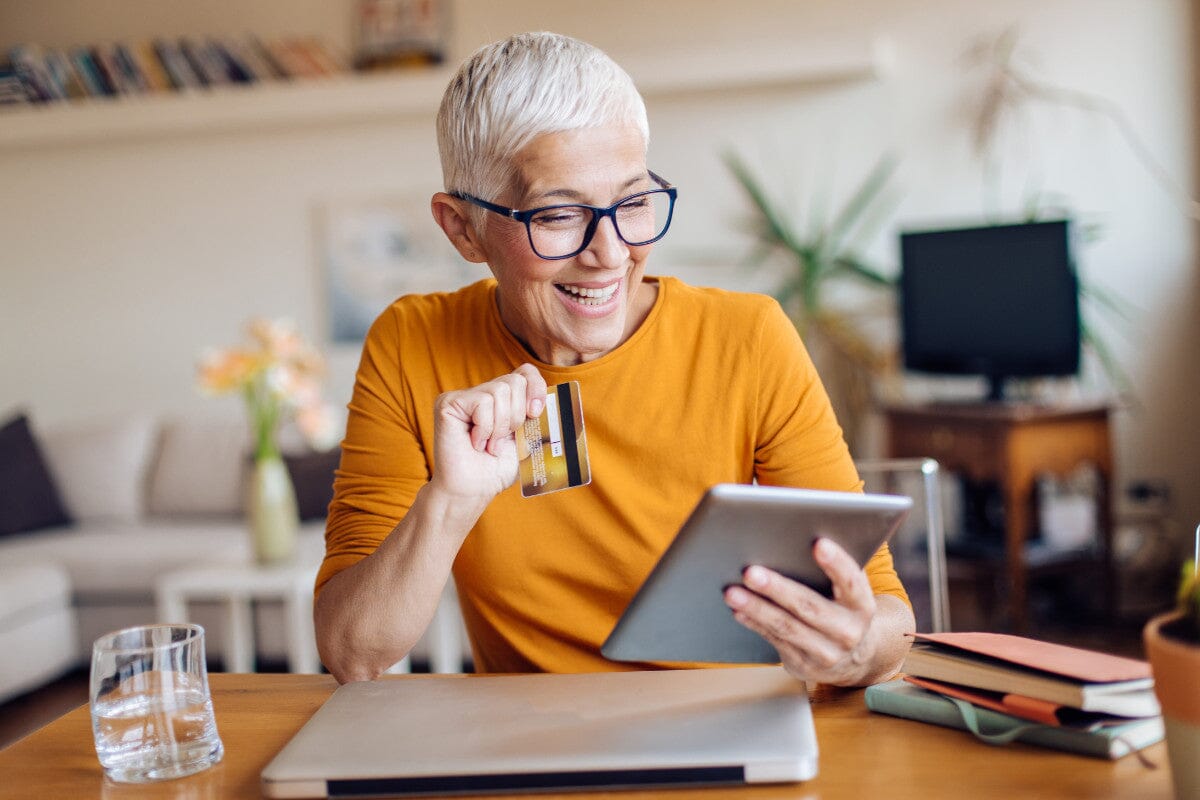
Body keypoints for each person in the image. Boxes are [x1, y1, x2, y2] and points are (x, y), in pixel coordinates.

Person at [314, 31, 914, 686]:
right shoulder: (413, 344)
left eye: (632, 202)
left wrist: (857, 650)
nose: (610, 253)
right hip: (530, 744)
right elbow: (354, 653)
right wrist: (450, 501)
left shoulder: (748, 339)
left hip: (727, 720)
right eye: (559, 215)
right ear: (464, 228)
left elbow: (886, 613)